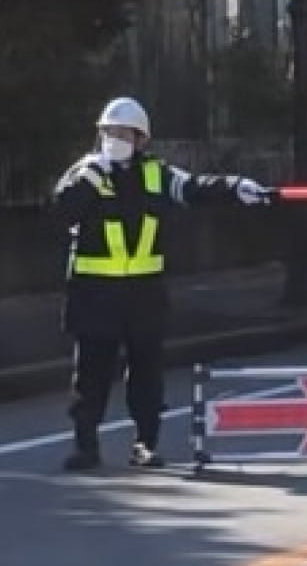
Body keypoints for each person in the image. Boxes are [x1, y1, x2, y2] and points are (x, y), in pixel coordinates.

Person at [53, 95, 271, 471]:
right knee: (91, 374)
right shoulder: (84, 172)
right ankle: (85, 445)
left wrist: (236, 187)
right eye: (108, 132)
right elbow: (61, 209)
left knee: (147, 373)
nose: (115, 139)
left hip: (143, 294)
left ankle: (145, 443)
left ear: (142, 140)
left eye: (124, 133)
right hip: (94, 294)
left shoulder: (157, 175)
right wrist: (97, 171)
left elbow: (195, 188)